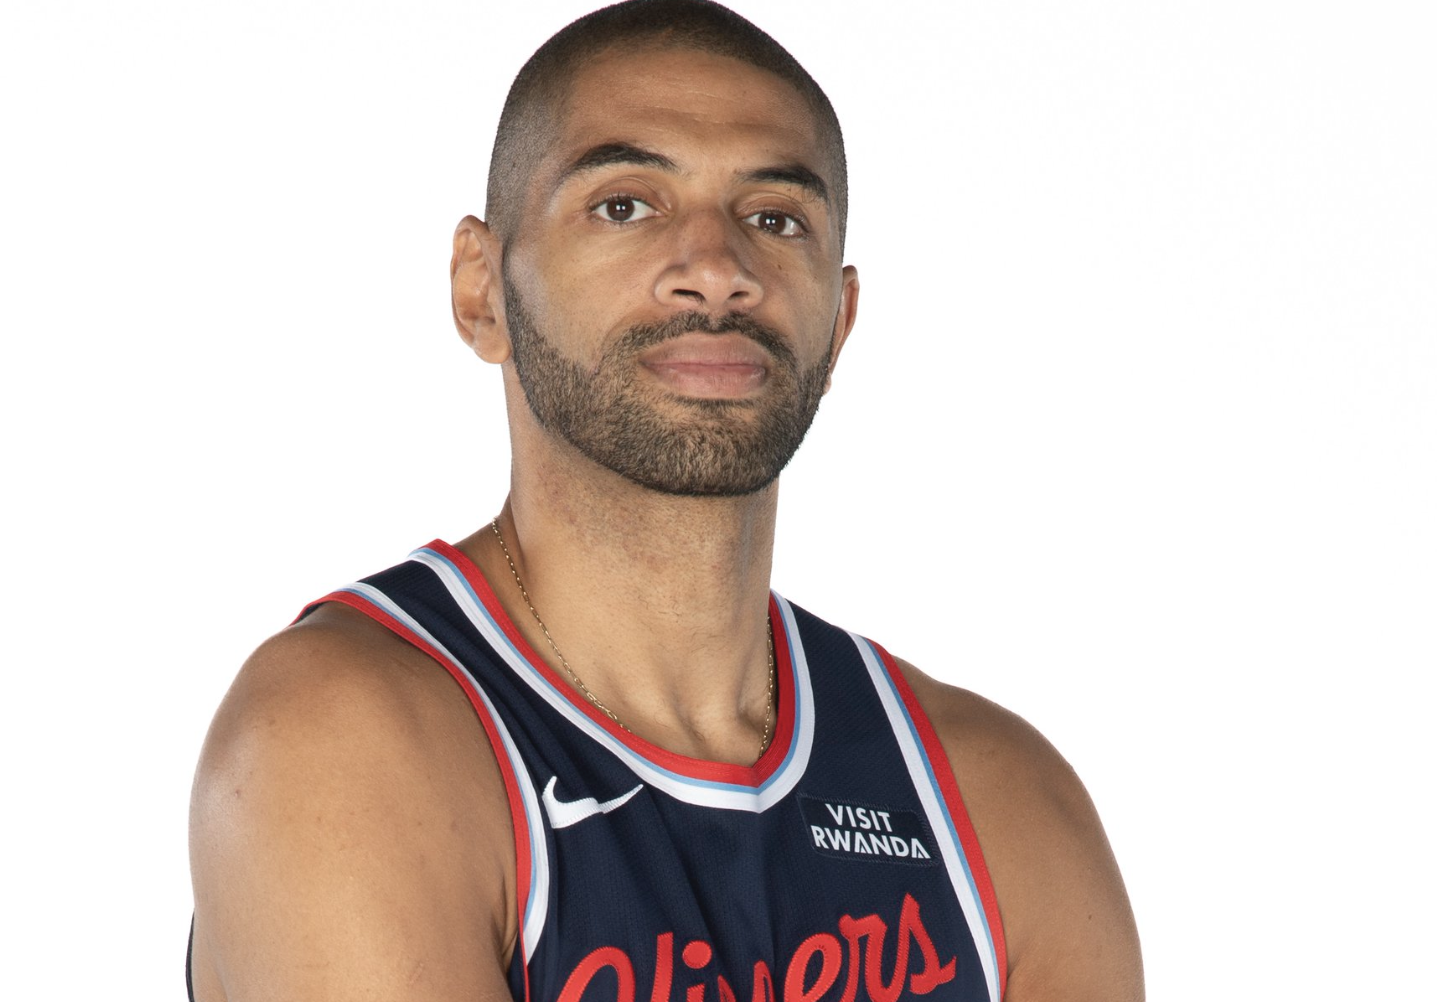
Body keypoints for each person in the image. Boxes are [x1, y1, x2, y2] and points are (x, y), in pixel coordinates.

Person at [187, 2, 1144, 1000]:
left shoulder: (999, 805)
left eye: (774, 218)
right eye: (625, 206)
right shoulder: (340, 736)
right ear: (482, 290)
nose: (716, 272)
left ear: (839, 321)